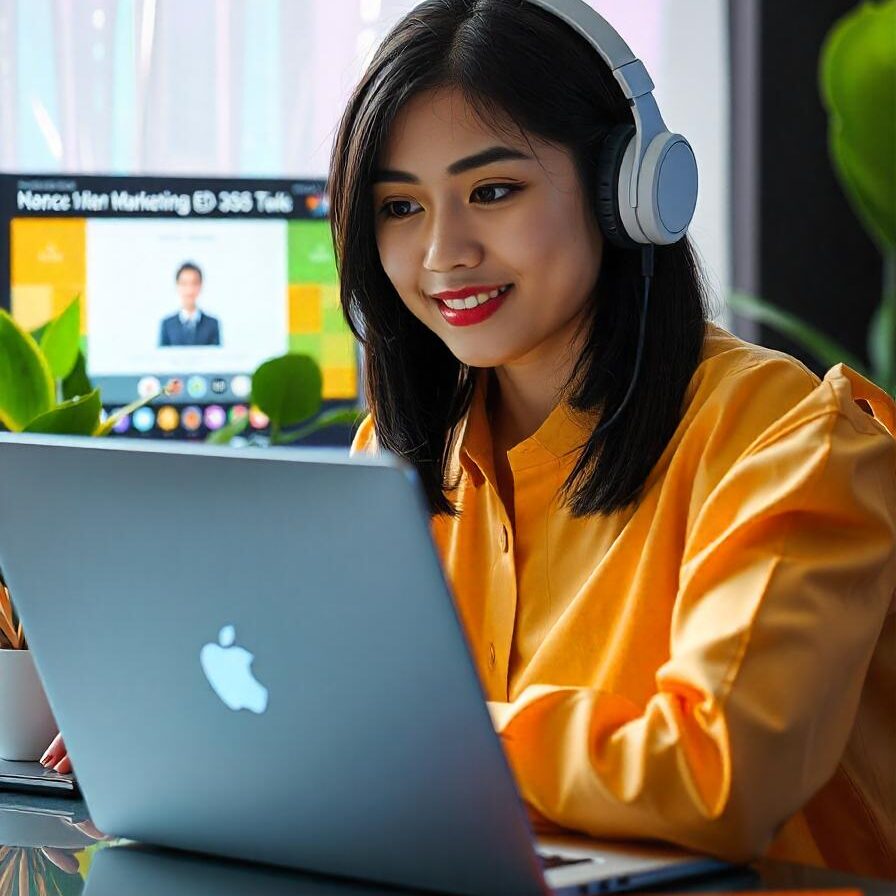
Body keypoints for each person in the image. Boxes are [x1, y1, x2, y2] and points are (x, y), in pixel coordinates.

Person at [44, 0, 896, 878]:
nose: (442, 252)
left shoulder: (791, 439)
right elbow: (317, 706)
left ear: (628, 192)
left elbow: (721, 773)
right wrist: (193, 727)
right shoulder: (403, 454)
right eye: (400, 207)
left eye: (492, 191)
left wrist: (410, 735)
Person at [158, 262, 221, 347]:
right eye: (184, 284)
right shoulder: (167, 325)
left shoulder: (212, 324)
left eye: (194, 283)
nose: (189, 289)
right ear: (177, 286)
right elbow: (163, 358)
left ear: (200, 286)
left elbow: (216, 357)